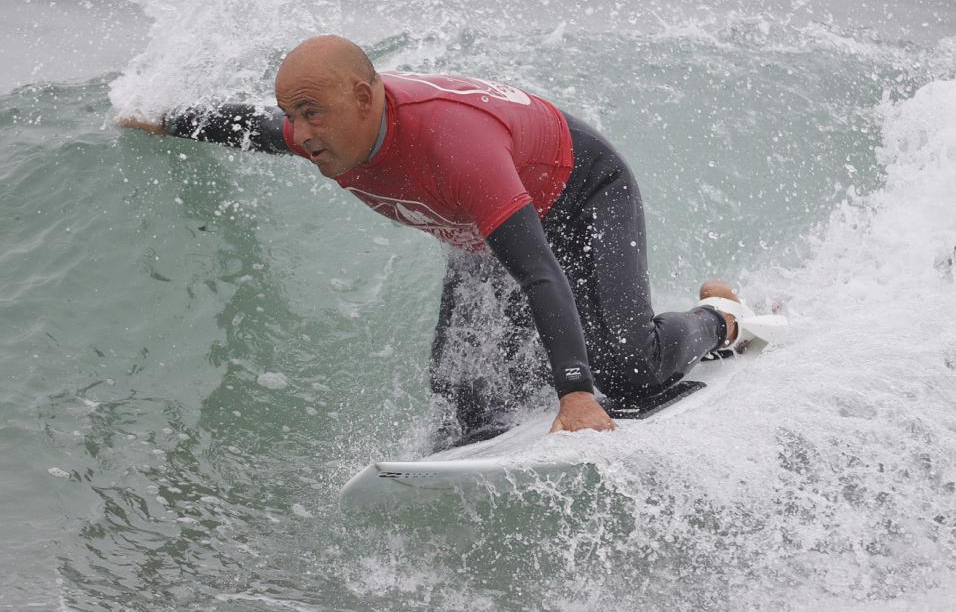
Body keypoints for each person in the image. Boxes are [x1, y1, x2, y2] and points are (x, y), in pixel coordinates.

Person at [120, 35, 743, 446]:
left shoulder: (453, 145)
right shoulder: (328, 131)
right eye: (293, 115)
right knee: (464, 397)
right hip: (485, 227)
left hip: (580, 194)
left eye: (311, 113)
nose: (300, 132)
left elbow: (537, 273)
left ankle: (719, 317)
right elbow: (255, 127)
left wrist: (577, 395)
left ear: (364, 99)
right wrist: (166, 118)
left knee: (628, 371)